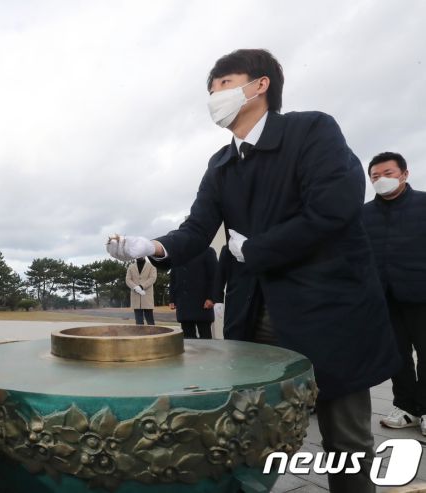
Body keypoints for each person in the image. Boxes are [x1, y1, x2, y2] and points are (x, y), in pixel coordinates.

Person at [107, 49, 399, 492]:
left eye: (224, 84)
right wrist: (153, 245)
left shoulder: (311, 130)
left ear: (260, 85)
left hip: (325, 309)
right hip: (255, 312)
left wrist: (258, 248)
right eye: (210, 89)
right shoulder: (221, 164)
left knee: (346, 437)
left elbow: (334, 207)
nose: (214, 96)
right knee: (250, 431)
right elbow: (197, 229)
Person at [362, 152, 426, 435]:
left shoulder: (423, 204)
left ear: (404, 174)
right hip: (384, 297)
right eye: (375, 177)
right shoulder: (363, 214)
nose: (381, 180)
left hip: (421, 294)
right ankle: (406, 407)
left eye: (388, 173)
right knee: (396, 355)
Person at [168, 247, 217, 339]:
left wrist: (211, 298)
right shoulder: (177, 255)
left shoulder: (207, 251)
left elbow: (215, 277)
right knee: (188, 340)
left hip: (203, 302)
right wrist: (172, 298)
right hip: (183, 303)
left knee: (206, 339)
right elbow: (173, 279)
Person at [125, 257, 157, 325]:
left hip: (147, 296)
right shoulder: (131, 267)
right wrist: (135, 287)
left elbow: (152, 278)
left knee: (150, 319)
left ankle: (152, 335)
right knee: (138, 321)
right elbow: (128, 280)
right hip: (135, 297)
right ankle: (140, 334)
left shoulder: (151, 266)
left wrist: (142, 286)